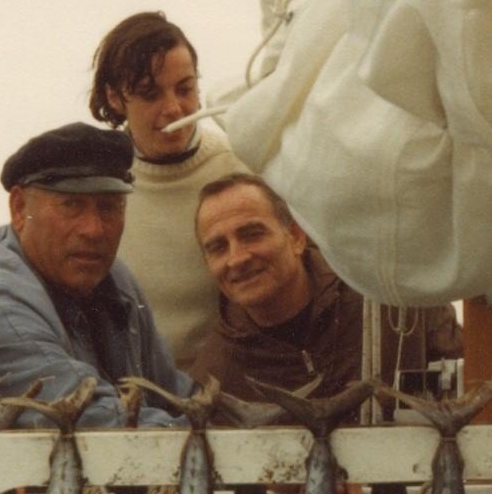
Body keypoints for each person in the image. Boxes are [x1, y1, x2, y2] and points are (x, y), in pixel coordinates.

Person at [0, 11, 247, 369]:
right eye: (150, 94)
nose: (173, 108)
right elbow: (14, 281)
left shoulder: (243, 167)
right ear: (116, 99)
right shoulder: (95, 179)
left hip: (218, 392)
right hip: (113, 393)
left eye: (185, 89)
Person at [0, 121, 194, 431]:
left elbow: (175, 396)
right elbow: (94, 421)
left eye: (109, 207)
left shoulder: (116, 281)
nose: (94, 229)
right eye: (71, 205)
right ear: (19, 208)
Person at [191, 172, 463, 416]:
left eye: (252, 234)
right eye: (218, 248)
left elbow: (473, 376)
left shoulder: (393, 297)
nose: (237, 258)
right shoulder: (216, 378)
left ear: (296, 237)